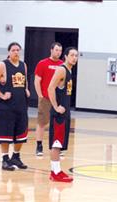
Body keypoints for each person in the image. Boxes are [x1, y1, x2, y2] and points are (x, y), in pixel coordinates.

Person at [0, 42, 30, 171]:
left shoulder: (23, 65)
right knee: (5, 134)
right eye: (13, 50)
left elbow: (25, 80)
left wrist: (27, 89)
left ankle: (16, 157)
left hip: (21, 104)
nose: (16, 52)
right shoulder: (2, 65)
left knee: (21, 133)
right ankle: (5, 159)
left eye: (18, 50)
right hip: (6, 106)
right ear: (9, 52)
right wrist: (1, 95)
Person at [47, 47, 78, 182]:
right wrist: (55, 106)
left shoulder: (69, 71)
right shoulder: (61, 70)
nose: (74, 58)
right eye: (72, 55)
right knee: (57, 143)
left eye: (76, 56)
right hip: (58, 114)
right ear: (65, 56)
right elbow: (50, 88)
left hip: (65, 112)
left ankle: (55, 170)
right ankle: (55, 172)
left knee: (60, 144)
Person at [34, 42, 63, 156]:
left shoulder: (62, 65)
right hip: (45, 98)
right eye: (56, 50)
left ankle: (57, 146)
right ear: (51, 50)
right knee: (42, 122)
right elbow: (37, 81)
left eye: (60, 51)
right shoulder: (42, 63)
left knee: (58, 123)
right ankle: (39, 146)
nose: (58, 52)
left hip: (58, 99)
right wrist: (40, 95)